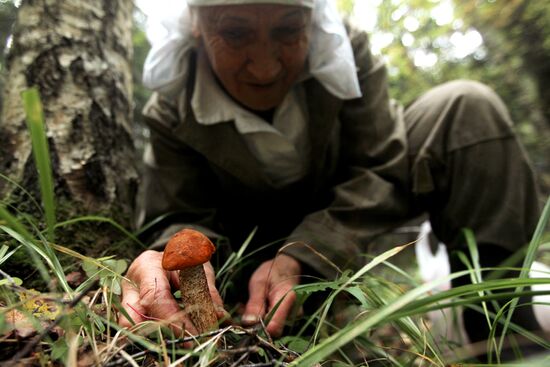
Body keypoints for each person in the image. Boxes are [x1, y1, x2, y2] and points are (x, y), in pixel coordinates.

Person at [119, 0, 543, 349]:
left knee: (467, 107)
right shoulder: (174, 104)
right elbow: (177, 214)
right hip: (242, 248)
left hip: (341, 216)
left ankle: (504, 334)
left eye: (287, 31)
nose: (265, 68)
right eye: (234, 33)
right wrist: (166, 260)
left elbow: (382, 161)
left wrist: (306, 251)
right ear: (196, 26)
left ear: (312, 20)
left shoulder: (347, 53)